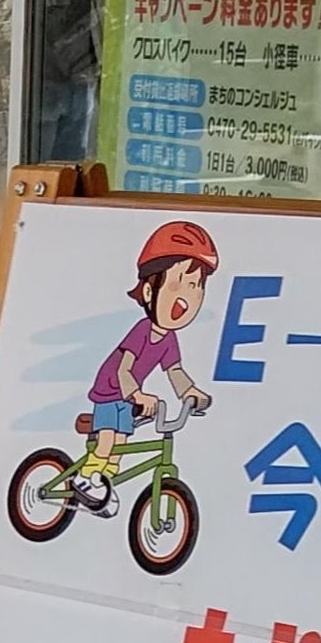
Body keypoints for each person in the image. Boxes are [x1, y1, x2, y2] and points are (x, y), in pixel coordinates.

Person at [74, 220, 217, 514]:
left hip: (129, 396)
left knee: (120, 447)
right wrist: (137, 396)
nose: (187, 297)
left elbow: (175, 371)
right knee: (107, 442)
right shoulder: (141, 330)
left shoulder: (169, 339)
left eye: (196, 286)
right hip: (110, 390)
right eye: (179, 284)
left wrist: (191, 392)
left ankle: (101, 485)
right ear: (150, 293)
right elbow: (123, 369)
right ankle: (85, 478)